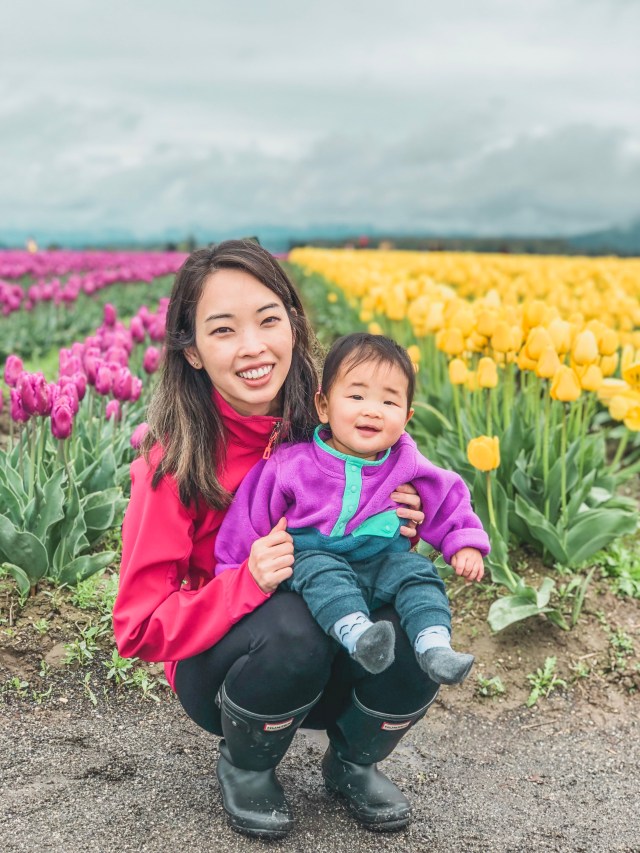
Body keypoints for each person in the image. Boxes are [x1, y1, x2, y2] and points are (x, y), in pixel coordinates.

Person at [112, 240, 428, 841]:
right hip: (230, 666)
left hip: (335, 642)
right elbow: (137, 627)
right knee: (292, 623)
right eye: (224, 330)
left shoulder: (335, 422)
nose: (253, 347)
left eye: (268, 320)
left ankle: (353, 761)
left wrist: (396, 522)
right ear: (195, 352)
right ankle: (247, 766)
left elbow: (371, 553)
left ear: (292, 324)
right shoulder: (175, 461)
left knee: (417, 617)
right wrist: (245, 583)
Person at [215, 333, 490, 685]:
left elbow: (447, 496)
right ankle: (360, 636)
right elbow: (249, 517)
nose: (372, 410)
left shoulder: (405, 461)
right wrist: (233, 572)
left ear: (406, 418)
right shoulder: (292, 464)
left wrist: (463, 541)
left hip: (381, 562)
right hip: (313, 559)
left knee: (418, 572)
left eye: (389, 403)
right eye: (357, 396)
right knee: (317, 568)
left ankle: (434, 646)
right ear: (324, 406)